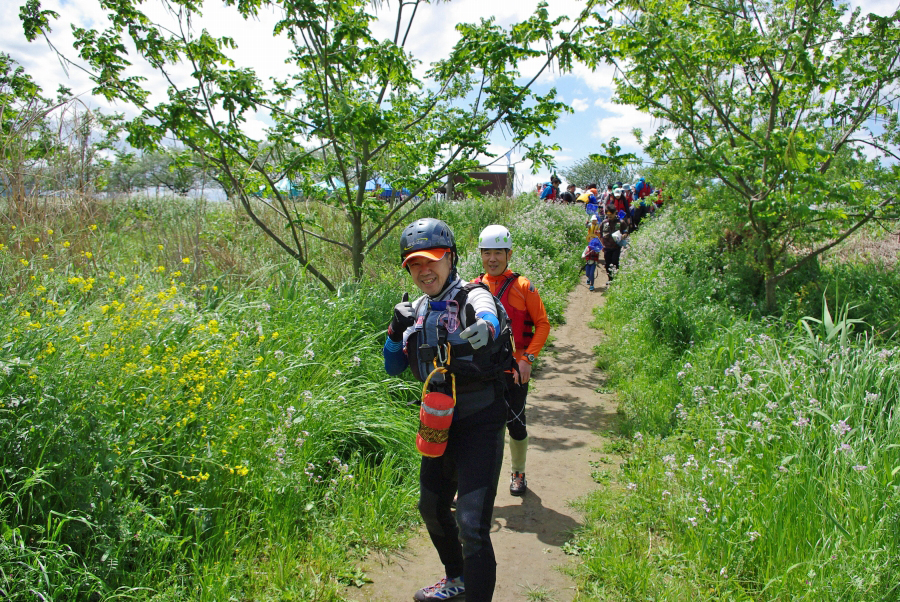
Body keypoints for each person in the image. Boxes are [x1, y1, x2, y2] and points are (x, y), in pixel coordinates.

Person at [384, 218, 512, 602]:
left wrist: (486, 326)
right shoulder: (416, 311)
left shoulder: (472, 295)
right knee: (432, 507)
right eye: (415, 264)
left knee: (471, 523)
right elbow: (392, 367)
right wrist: (395, 332)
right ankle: (456, 579)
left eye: (433, 261)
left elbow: (487, 310)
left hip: (480, 419)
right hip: (438, 421)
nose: (425, 271)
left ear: (451, 259)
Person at [473, 225, 551, 497]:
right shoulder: (473, 288)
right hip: (483, 371)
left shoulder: (523, 286)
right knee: (479, 428)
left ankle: (518, 472)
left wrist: (528, 358)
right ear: (480, 255)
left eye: (498, 252)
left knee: (515, 422)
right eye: (486, 253)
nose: (492, 259)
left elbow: (542, 324)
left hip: (515, 370)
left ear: (509, 254)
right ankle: (476, 484)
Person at [599, 204, 628, 282]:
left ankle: (615, 278)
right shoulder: (604, 223)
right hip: (607, 247)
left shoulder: (621, 222)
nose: (610, 216)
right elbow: (601, 235)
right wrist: (602, 245)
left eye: (611, 214)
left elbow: (626, 232)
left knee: (615, 262)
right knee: (608, 263)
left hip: (616, 247)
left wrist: (623, 236)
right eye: (608, 215)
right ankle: (610, 279)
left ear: (615, 213)